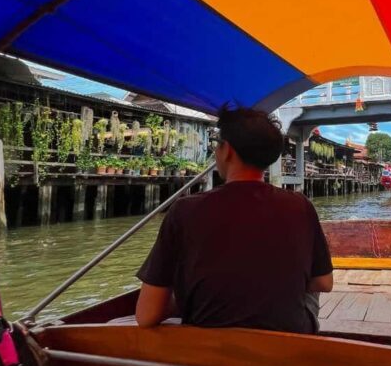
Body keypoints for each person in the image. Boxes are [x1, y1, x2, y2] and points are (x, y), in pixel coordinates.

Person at [135, 106, 333, 334]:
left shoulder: (184, 210)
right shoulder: (301, 206)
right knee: (310, 288)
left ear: (227, 150)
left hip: (209, 346)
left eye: (216, 145)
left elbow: (146, 315)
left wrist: (186, 297)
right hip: (285, 344)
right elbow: (324, 282)